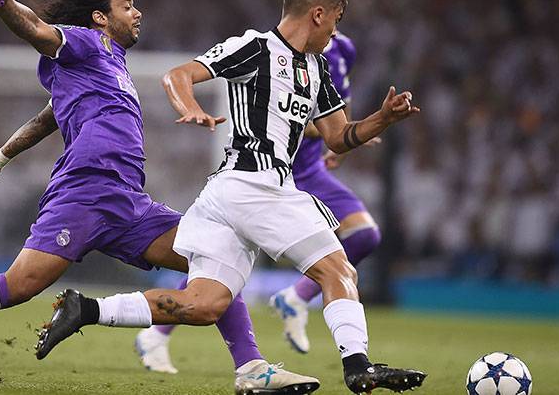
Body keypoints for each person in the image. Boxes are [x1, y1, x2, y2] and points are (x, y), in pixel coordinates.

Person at [0, 0, 318, 393]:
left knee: (214, 255)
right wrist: (2, 1)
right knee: (19, 286)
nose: (137, 13)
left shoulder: (108, 62)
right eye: (127, 6)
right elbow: (37, 30)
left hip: (128, 202)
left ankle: (252, 367)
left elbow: (47, 118)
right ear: (100, 18)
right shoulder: (84, 42)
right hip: (85, 191)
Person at [34, 0, 426, 393]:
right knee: (338, 269)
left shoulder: (316, 70)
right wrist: (190, 107)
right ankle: (358, 367)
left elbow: (338, 136)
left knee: (205, 304)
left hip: (227, 196)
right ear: (317, 14)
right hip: (255, 184)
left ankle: (84, 310)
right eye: (335, 19)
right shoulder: (255, 47)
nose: (335, 31)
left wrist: (382, 119)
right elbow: (178, 74)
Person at [135, 30, 381, 374]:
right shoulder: (266, 49)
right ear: (318, 11)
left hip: (303, 170)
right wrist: (322, 129)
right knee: (222, 262)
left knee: (363, 236)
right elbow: (289, 116)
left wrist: (348, 133)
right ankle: (162, 332)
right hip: (260, 172)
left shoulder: (337, 54)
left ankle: (294, 300)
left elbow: (337, 116)